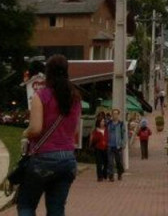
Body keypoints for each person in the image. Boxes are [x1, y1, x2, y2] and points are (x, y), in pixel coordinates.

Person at [18, 54, 83, 216]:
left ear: (48, 72)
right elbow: (75, 131)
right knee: (56, 209)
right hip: (68, 160)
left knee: (26, 204)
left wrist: (25, 133)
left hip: (43, 159)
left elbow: (35, 129)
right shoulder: (75, 98)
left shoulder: (41, 96)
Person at [89, 114, 109, 181]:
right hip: (98, 148)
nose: (103, 123)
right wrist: (98, 133)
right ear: (98, 123)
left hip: (106, 148)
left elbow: (108, 137)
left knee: (106, 162)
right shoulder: (95, 131)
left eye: (103, 121)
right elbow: (94, 140)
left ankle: (104, 173)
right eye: (101, 121)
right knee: (99, 163)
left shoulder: (106, 129)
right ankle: (99, 176)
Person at [106, 108, 125, 181]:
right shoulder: (109, 124)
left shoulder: (121, 124)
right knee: (110, 162)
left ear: (118, 115)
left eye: (116, 114)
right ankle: (111, 175)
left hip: (118, 145)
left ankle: (119, 173)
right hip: (110, 145)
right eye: (114, 114)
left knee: (118, 161)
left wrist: (123, 144)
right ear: (112, 115)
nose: (115, 115)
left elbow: (123, 134)